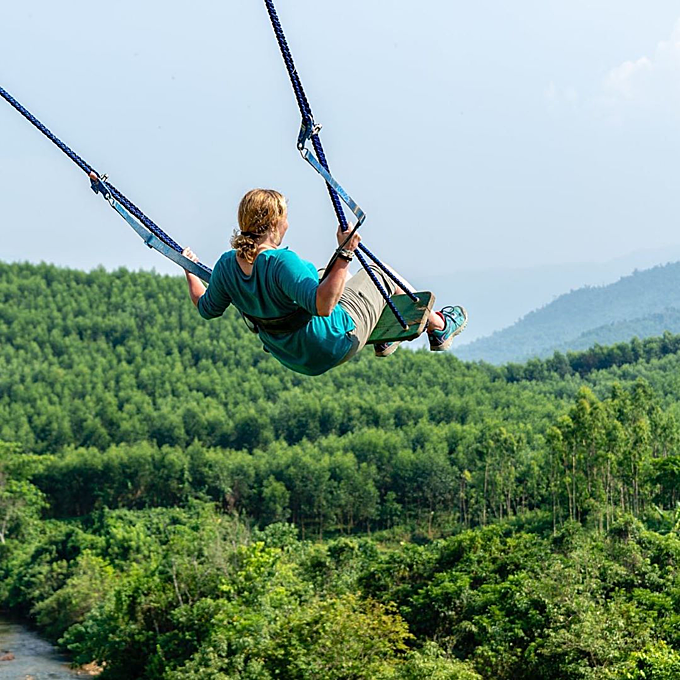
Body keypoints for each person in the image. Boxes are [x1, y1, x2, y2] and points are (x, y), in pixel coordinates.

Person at [182, 188, 467, 376]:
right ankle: (440, 327)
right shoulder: (281, 263)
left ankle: (384, 339)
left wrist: (190, 270)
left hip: (293, 356)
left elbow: (205, 306)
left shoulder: (227, 266)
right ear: (274, 223)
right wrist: (345, 253)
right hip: (330, 343)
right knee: (377, 274)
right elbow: (322, 306)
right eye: (285, 218)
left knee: (320, 273)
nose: (287, 224)